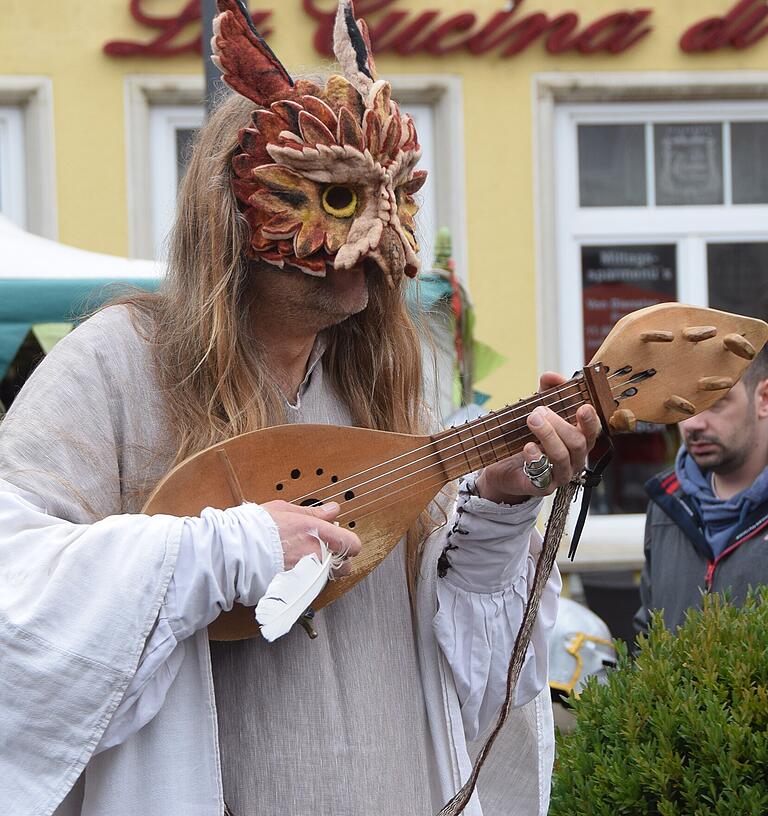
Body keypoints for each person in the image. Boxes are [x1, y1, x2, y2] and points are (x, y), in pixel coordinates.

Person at [0, 2, 600, 814]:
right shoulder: (116, 366)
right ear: (235, 206)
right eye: (340, 198)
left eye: (392, 198)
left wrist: (495, 512)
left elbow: (478, 679)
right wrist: (225, 552)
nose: (382, 237)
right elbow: (15, 592)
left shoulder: (385, 390)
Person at [634, 344, 768, 638]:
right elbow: (648, 639)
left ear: (763, 399)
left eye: (716, 401)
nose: (693, 423)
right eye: (683, 405)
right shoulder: (666, 501)